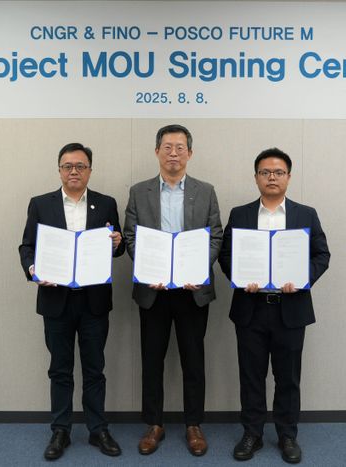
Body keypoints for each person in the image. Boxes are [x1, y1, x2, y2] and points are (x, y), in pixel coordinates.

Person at [218, 148, 330, 464]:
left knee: (288, 377)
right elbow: (225, 255)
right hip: (250, 307)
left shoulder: (305, 214)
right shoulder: (240, 214)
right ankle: (252, 433)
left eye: (278, 172)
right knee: (251, 375)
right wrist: (241, 278)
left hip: (290, 308)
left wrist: (302, 279)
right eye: (265, 172)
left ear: (288, 177)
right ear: (256, 177)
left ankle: (287, 435)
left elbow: (322, 255)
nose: (271, 177)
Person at [18, 143, 125, 461]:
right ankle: (60, 430)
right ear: (59, 170)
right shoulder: (41, 204)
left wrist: (117, 243)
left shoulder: (106, 203)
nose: (74, 171)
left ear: (90, 170)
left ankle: (98, 429)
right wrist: (33, 269)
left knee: (95, 369)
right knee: (60, 369)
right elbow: (27, 246)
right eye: (68, 166)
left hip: (94, 301)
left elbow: (117, 247)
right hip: (56, 300)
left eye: (80, 166)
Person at [123, 124, 223, 456]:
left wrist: (197, 269)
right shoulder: (139, 192)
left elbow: (215, 236)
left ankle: (194, 424)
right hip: (153, 290)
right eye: (167, 147)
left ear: (190, 153)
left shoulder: (206, 191)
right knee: (152, 360)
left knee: (194, 360)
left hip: (192, 291)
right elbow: (131, 236)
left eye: (180, 148)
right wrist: (148, 268)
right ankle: (154, 424)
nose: (173, 154)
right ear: (157, 152)